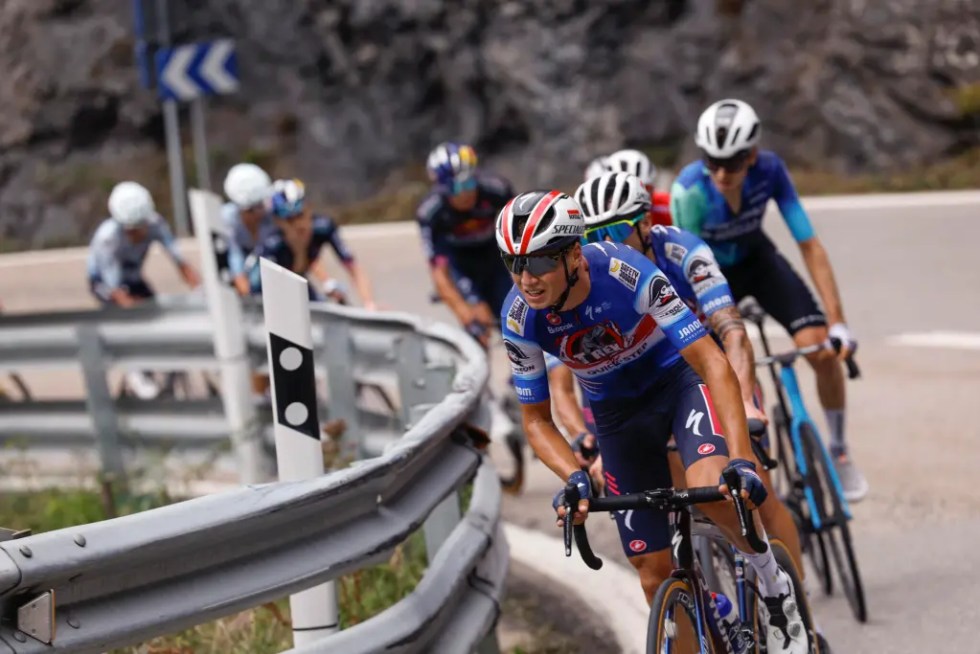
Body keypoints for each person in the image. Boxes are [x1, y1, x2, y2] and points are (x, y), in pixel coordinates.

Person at [496, 190, 810, 653]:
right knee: (651, 572)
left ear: (573, 255)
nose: (526, 278)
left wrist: (741, 459)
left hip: (676, 387)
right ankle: (706, 616)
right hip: (618, 418)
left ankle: (772, 583)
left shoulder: (627, 272)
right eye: (513, 263)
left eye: (540, 261)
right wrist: (575, 477)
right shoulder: (519, 318)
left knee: (716, 486)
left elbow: (711, 361)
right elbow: (537, 421)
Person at [569, 170, 804, 576]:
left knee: (753, 492)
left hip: (709, 371)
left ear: (645, 224)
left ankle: (798, 610)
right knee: (673, 493)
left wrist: (745, 400)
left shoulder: (682, 251)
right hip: (644, 392)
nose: (602, 246)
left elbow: (731, 331)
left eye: (613, 232)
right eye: (590, 236)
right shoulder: (588, 280)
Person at [671, 98, 867, 501]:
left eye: (735, 162)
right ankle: (760, 467)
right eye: (713, 161)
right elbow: (685, 269)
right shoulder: (690, 190)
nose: (723, 172)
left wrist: (837, 321)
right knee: (735, 370)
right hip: (709, 274)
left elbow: (809, 244)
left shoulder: (771, 170)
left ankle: (838, 446)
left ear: (753, 155)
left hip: (757, 260)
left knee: (823, 352)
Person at [87, 181, 201, 397]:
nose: (138, 233)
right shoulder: (108, 238)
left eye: (141, 227)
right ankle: (134, 369)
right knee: (131, 318)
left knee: (156, 313)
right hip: (105, 283)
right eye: (131, 230)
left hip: (134, 276)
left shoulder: (156, 223)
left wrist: (201, 289)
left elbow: (180, 262)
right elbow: (116, 291)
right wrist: (134, 307)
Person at [416, 142, 515, 347]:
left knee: (514, 318)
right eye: (458, 187)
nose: (467, 193)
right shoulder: (430, 212)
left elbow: (523, 235)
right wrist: (464, 313)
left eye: (470, 182)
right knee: (478, 325)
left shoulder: (496, 189)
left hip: (493, 255)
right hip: (460, 265)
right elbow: (439, 274)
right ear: (443, 189)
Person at [247, 179, 377, 308]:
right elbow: (278, 285)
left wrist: (369, 303)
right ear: (278, 221)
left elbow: (352, 266)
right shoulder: (272, 243)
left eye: (300, 215)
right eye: (290, 220)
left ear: (308, 208)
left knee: (326, 305)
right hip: (267, 292)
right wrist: (297, 248)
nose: (298, 224)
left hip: (297, 279)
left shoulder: (324, 226)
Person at [222, 163, 275, 296]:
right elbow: (234, 257)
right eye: (256, 208)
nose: (261, 211)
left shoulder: (273, 214)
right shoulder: (228, 219)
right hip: (242, 269)